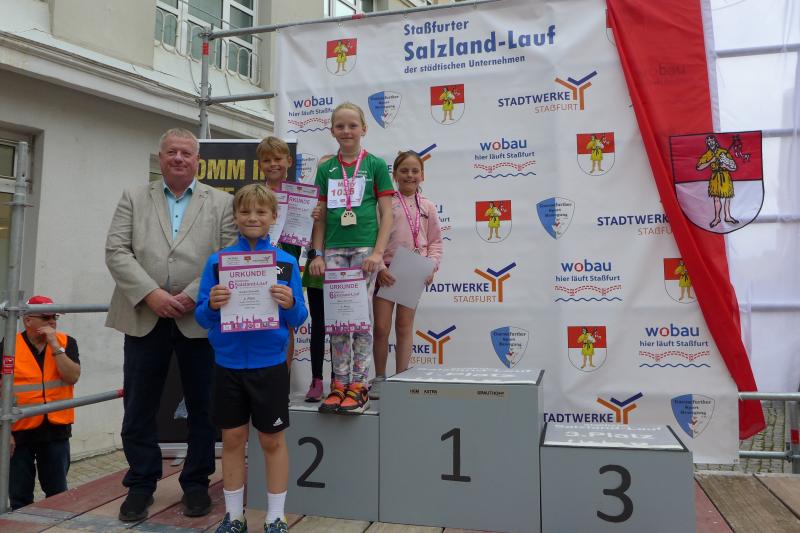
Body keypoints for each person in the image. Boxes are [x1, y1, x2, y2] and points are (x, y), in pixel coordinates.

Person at [105, 128, 237, 521]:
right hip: (145, 314)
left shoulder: (223, 202)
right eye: (171, 152)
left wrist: (193, 294)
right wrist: (151, 294)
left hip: (198, 317)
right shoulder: (133, 197)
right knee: (139, 405)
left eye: (186, 153)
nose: (178, 158)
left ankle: (196, 484)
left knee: (203, 406)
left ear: (198, 161)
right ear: (160, 157)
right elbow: (116, 250)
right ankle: (141, 484)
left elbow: (228, 253)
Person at [196, 184, 307, 533]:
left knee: (272, 440)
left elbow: (299, 316)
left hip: (269, 364)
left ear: (274, 216)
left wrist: (290, 303)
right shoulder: (217, 263)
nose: (253, 218)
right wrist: (212, 305)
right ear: (235, 217)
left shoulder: (286, 262)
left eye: (261, 212)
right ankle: (234, 516)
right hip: (227, 364)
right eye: (245, 211)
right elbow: (201, 317)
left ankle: (275, 516)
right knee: (232, 439)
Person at [308, 102, 394, 414]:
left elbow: (387, 214)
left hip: (364, 251)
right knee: (337, 320)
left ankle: (359, 384)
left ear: (364, 129)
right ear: (332, 131)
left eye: (352, 125)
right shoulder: (326, 169)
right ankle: (339, 383)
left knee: (360, 319)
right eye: (340, 126)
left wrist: (378, 253)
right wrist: (317, 253)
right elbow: (320, 217)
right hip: (332, 250)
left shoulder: (375, 165)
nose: (346, 131)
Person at [372, 151, 443, 398]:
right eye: (404, 171)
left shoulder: (428, 206)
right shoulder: (385, 203)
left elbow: (435, 242)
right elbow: (373, 238)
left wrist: (431, 266)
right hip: (387, 271)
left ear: (422, 175)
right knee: (381, 328)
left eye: (415, 171)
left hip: (414, 270)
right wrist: (380, 268)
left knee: (404, 326)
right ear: (394, 175)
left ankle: (401, 376)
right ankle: (380, 377)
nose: (409, 175)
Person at [2, 296, 81, 510]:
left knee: (57, 494)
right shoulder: (9, 345)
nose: (52, 322)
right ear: (28, 320)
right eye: (46, 318)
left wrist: (55, 345)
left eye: (54, 317)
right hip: (20, 429)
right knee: (19, 496)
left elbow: (72, 377)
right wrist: (4, 431)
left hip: (56, 428)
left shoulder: (66, 342)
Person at [258, 136, 302, 372]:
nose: (273, 164)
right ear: (260, 165)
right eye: (267, 160)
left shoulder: (301, 197)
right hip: (257, 262)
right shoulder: (254, 194)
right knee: (257, 315)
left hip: (286, 262)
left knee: (287, 321)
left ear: (289, 161)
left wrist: (314, 216)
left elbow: (310, 232)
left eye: (278, 159)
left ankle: (282, 381)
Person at [302, 154, 334, 403]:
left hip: (342, 271)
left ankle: (338, 378)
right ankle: (316, 379)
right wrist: (307, 218)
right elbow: (297, 236)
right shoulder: (308, 203)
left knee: (340, 327)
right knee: (319, 326)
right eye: (322, 171)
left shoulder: (350, 203)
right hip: (316, 270)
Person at [696, 134, 738, 228]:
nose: (711, 143)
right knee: (716, 199)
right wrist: (711, 161)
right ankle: (717, 218)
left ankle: (727, 216)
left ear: (715, 142)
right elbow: (699, 167)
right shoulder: (707, 155)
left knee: (727, 197)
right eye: (709, 142)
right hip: (715, 177)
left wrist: (726, 165)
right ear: (707, 143)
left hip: (725, 176)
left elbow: (734, 167)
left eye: (712, 141)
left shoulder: (723, 152)